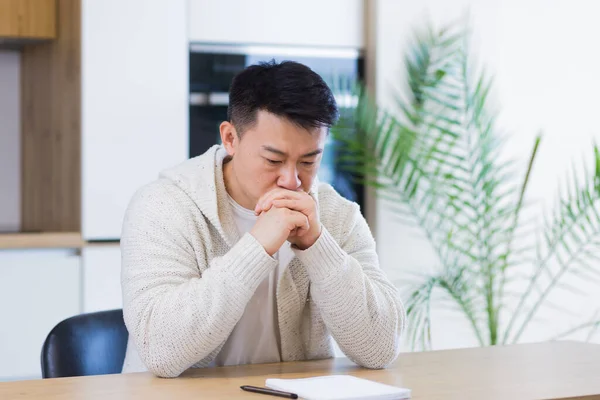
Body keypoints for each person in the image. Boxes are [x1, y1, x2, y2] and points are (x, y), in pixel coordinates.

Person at [120, 60, 406, 378]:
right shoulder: (163, 206)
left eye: (309, 160)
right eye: (273, 159)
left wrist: (318, 246)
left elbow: (381, 348)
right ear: (230, 138)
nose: (292, 181)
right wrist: (257, 247)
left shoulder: (337, 215)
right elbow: (160, 352)